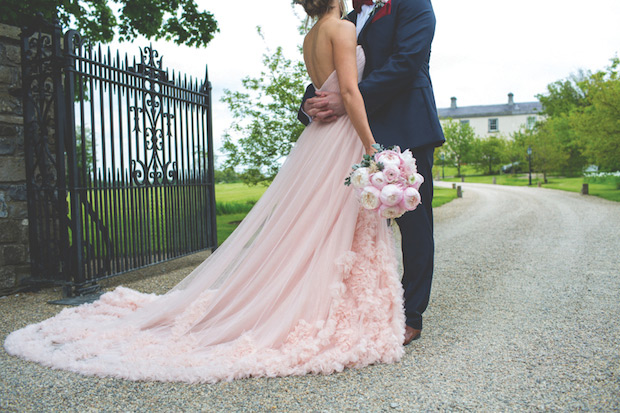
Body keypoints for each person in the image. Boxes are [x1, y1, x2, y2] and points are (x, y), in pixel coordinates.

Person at [4, 0, 407, 383]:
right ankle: (317, 306)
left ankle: (309, 297)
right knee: (327, 223)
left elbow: (321, 90)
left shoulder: (310, 36)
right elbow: (350, 93)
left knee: (314, 224)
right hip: (341, 138)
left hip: (317, 140)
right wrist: (373, 148)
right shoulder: (342, 28)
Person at [299, 0, 445, 345]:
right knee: (349, 230)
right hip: (350, 141)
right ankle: (358, 309)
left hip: (406, 129)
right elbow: (335, 74)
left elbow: (406, 63)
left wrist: (348, 101)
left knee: (415, 225)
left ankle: (411, 316)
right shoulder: (345, 21)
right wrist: (309, 104)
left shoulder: (414, 6)